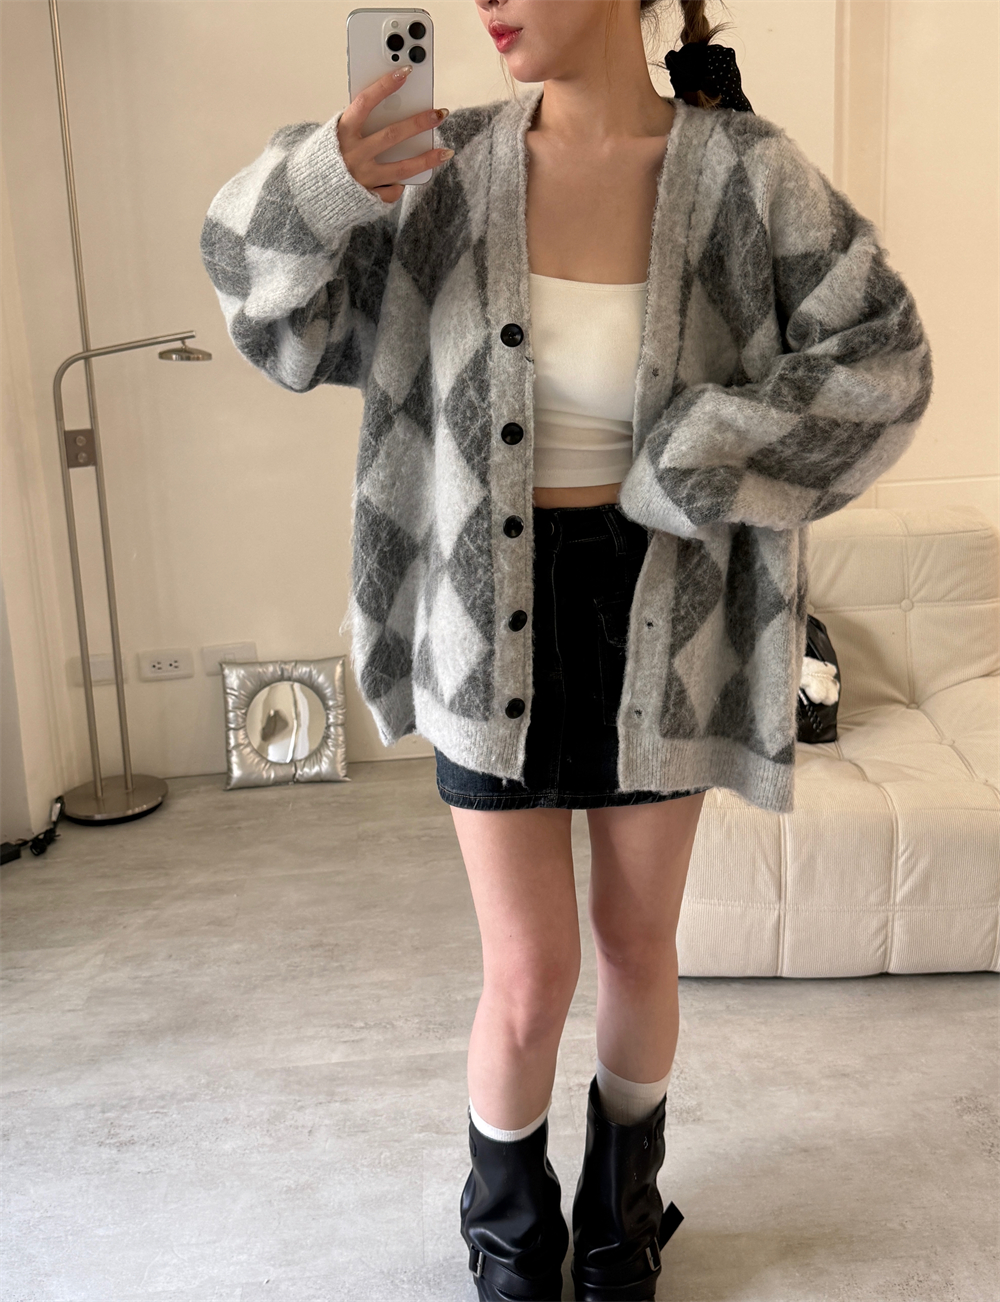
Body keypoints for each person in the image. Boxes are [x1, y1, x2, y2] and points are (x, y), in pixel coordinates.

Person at [200, 2, 933, 1297]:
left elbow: (885, 360)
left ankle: (618, 1213)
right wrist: (323, 179)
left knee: (638, 943)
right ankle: (507, 1228)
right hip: (481, 614)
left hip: (669, 611)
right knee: (529, 972)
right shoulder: (437, 171)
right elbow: (269, 313)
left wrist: (698, 452)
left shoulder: (749, 177)